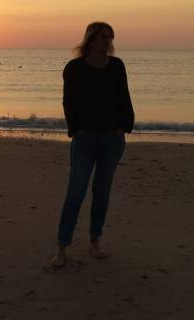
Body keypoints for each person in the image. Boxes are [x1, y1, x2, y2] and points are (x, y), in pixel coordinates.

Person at [51, 22, 135, 269]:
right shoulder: (75, 68)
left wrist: (124, 126)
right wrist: (75, 129)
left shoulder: (116, 66)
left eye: (110, 37)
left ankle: (95, 242)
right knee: (76, 191)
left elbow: (124, 97)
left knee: (101, 192)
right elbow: (69, 101)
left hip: (112, 138)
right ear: (90, 39)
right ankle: (61, 247)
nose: (107, 42)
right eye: (102, 37)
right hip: (85, 139)